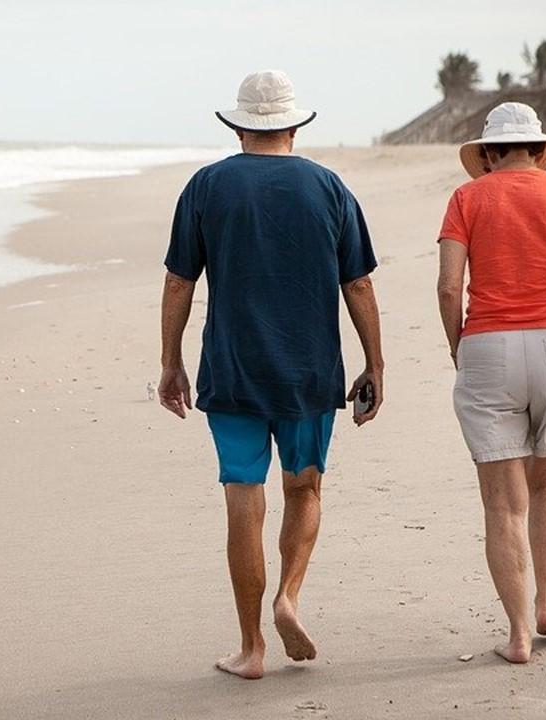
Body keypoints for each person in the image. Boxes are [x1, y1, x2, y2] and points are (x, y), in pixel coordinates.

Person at [159, 70, 384, 680]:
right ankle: (289, 595)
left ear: (237, 126)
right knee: (304, 489)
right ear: (294, 124)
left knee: (243, 497)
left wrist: (170, 361)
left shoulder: (206, 186)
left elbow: (181, 279)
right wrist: (375, 362)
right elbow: (357, 282)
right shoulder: (329, 187)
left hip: (232, 370)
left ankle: (252, 647)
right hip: (309, 372)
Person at [436, 102, 546, 664]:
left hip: (488, 345)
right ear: (538, 149)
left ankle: (516, 635)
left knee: (502, 504)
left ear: (488, 154)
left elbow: (447, 287)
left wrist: (459, 346)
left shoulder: (467, 198)